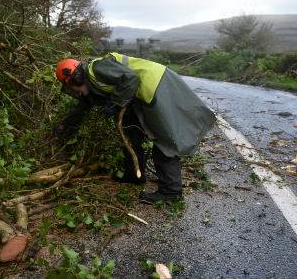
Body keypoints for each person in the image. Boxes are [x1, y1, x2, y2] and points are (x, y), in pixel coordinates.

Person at [53, 52, 216, 203]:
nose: (73, 90)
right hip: (140, 96)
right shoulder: (91, 83)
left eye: (70, 86)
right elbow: (82, 106)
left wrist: (116, 102)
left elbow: (131, 78)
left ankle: (171, 191)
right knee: (130, 131)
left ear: (76, 77)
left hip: (155, 85)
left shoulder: (97, 68)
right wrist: (63, 126)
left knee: (162, 139)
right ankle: (134, 175)